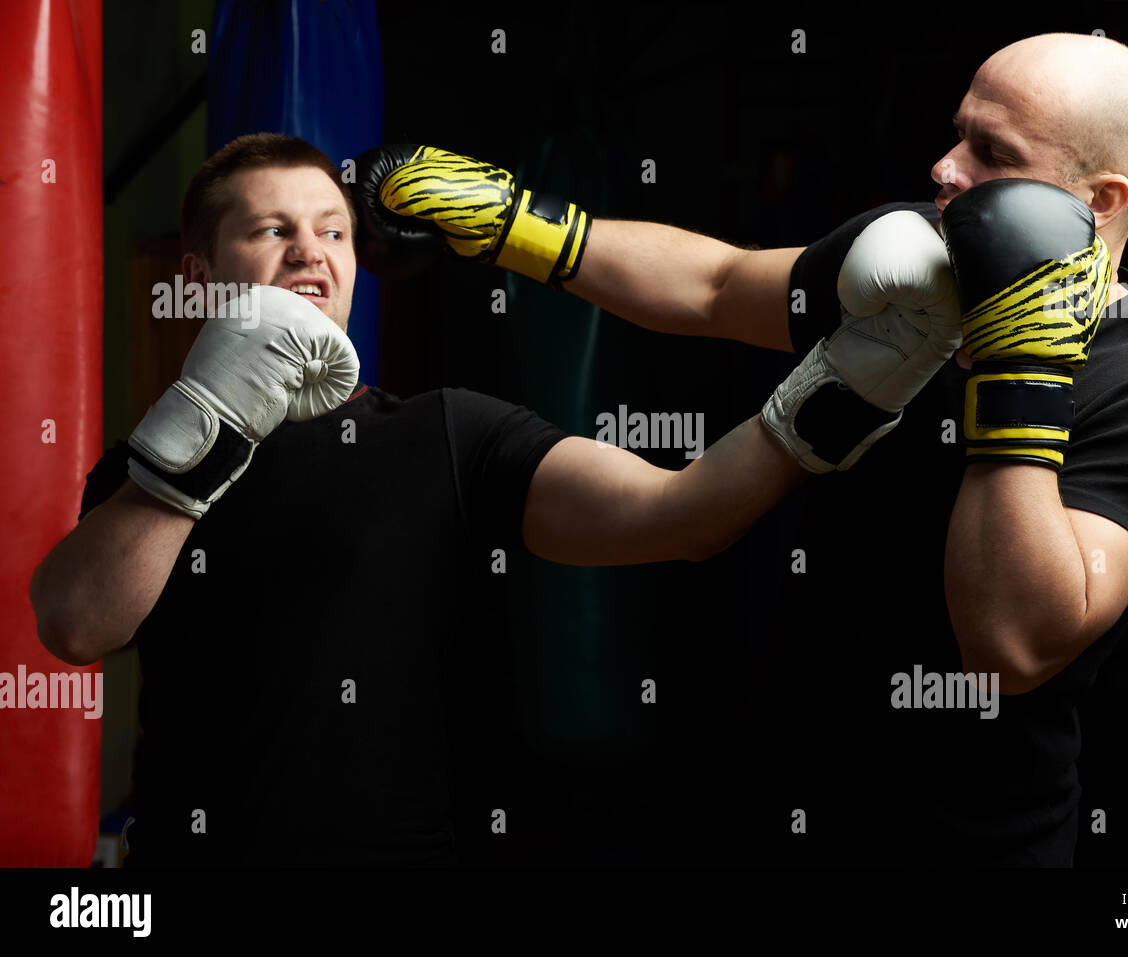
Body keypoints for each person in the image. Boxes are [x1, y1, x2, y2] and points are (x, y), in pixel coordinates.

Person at [357, 32, 1128, 864]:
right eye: (958, 133)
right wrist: (518, 224)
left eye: (991, 152)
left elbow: (1008, 647)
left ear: (1101, 200)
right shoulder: (913, 262)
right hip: (776, 804)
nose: (945, 168)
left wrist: (1021, 362)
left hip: (971, 844)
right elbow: (713, 286)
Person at [28, 133, 962, 865]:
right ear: (199, 275)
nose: (310, 251)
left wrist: (849, 384)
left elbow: (683, 515)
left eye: (334, 230)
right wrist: (204, 428)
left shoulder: (449, 431)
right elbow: (74, 624)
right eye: (271, 230)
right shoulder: (150, 459)